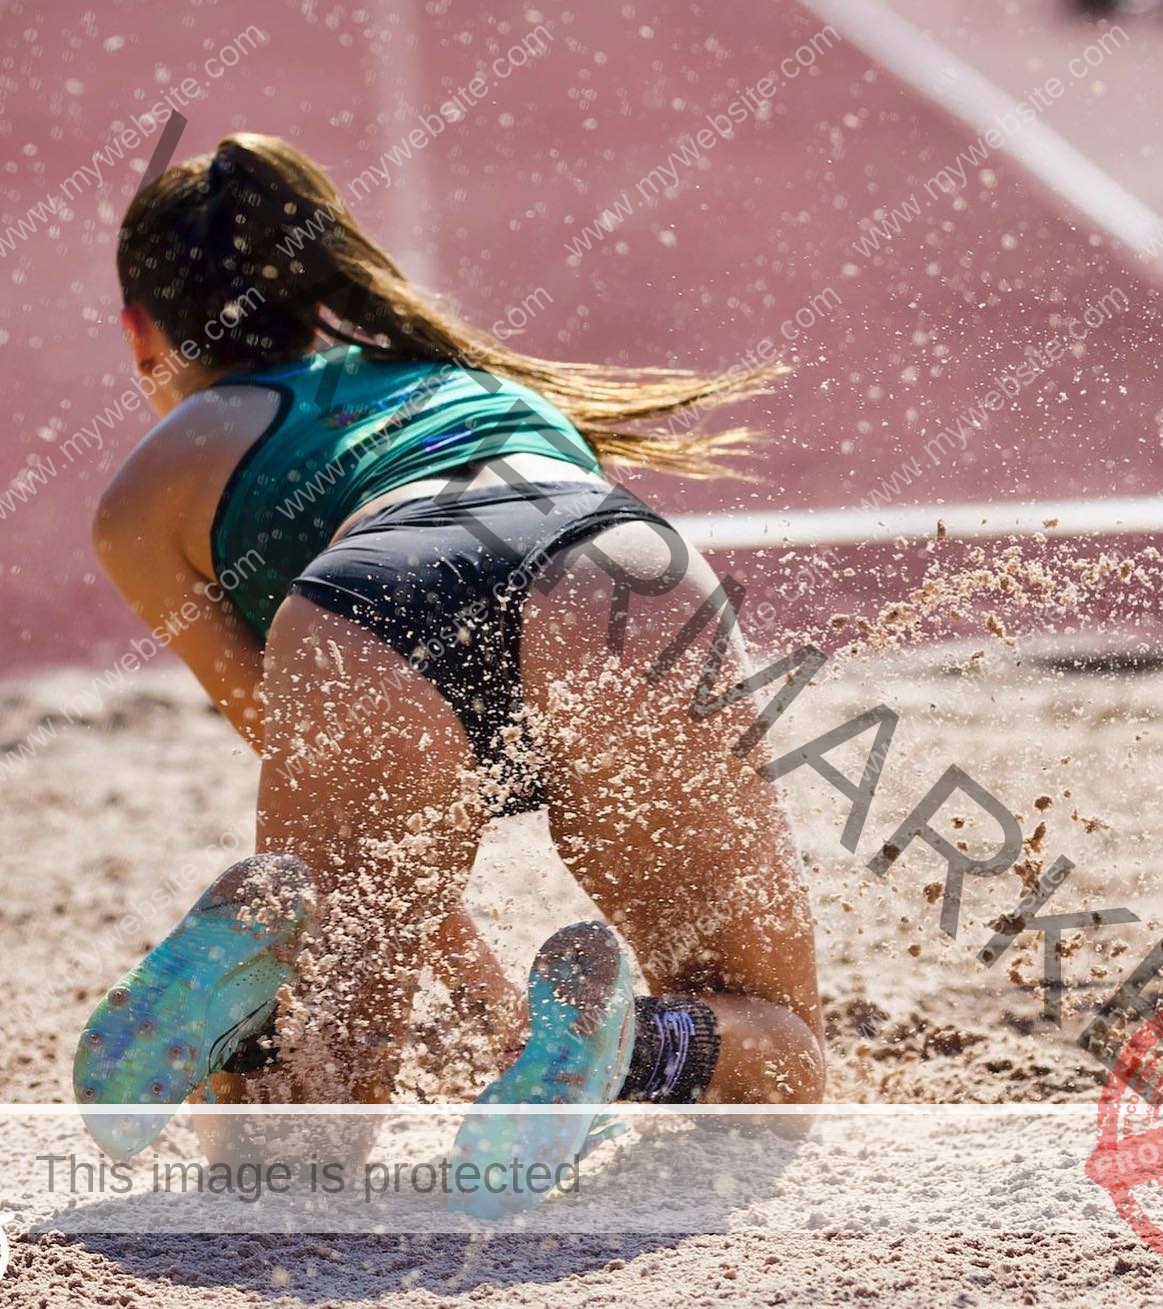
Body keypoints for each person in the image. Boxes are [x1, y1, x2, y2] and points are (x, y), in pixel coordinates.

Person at [74, 132, 823, 1211]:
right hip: (611, 571)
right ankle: (632, 1049)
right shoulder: (456, 377)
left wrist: (427, 984)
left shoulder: (149, 492)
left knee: (294, 1148)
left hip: (361, 602)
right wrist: (527, 1033)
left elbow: (369, 832)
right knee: (778, 1044)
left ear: (142, 329)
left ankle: (248, 1016)